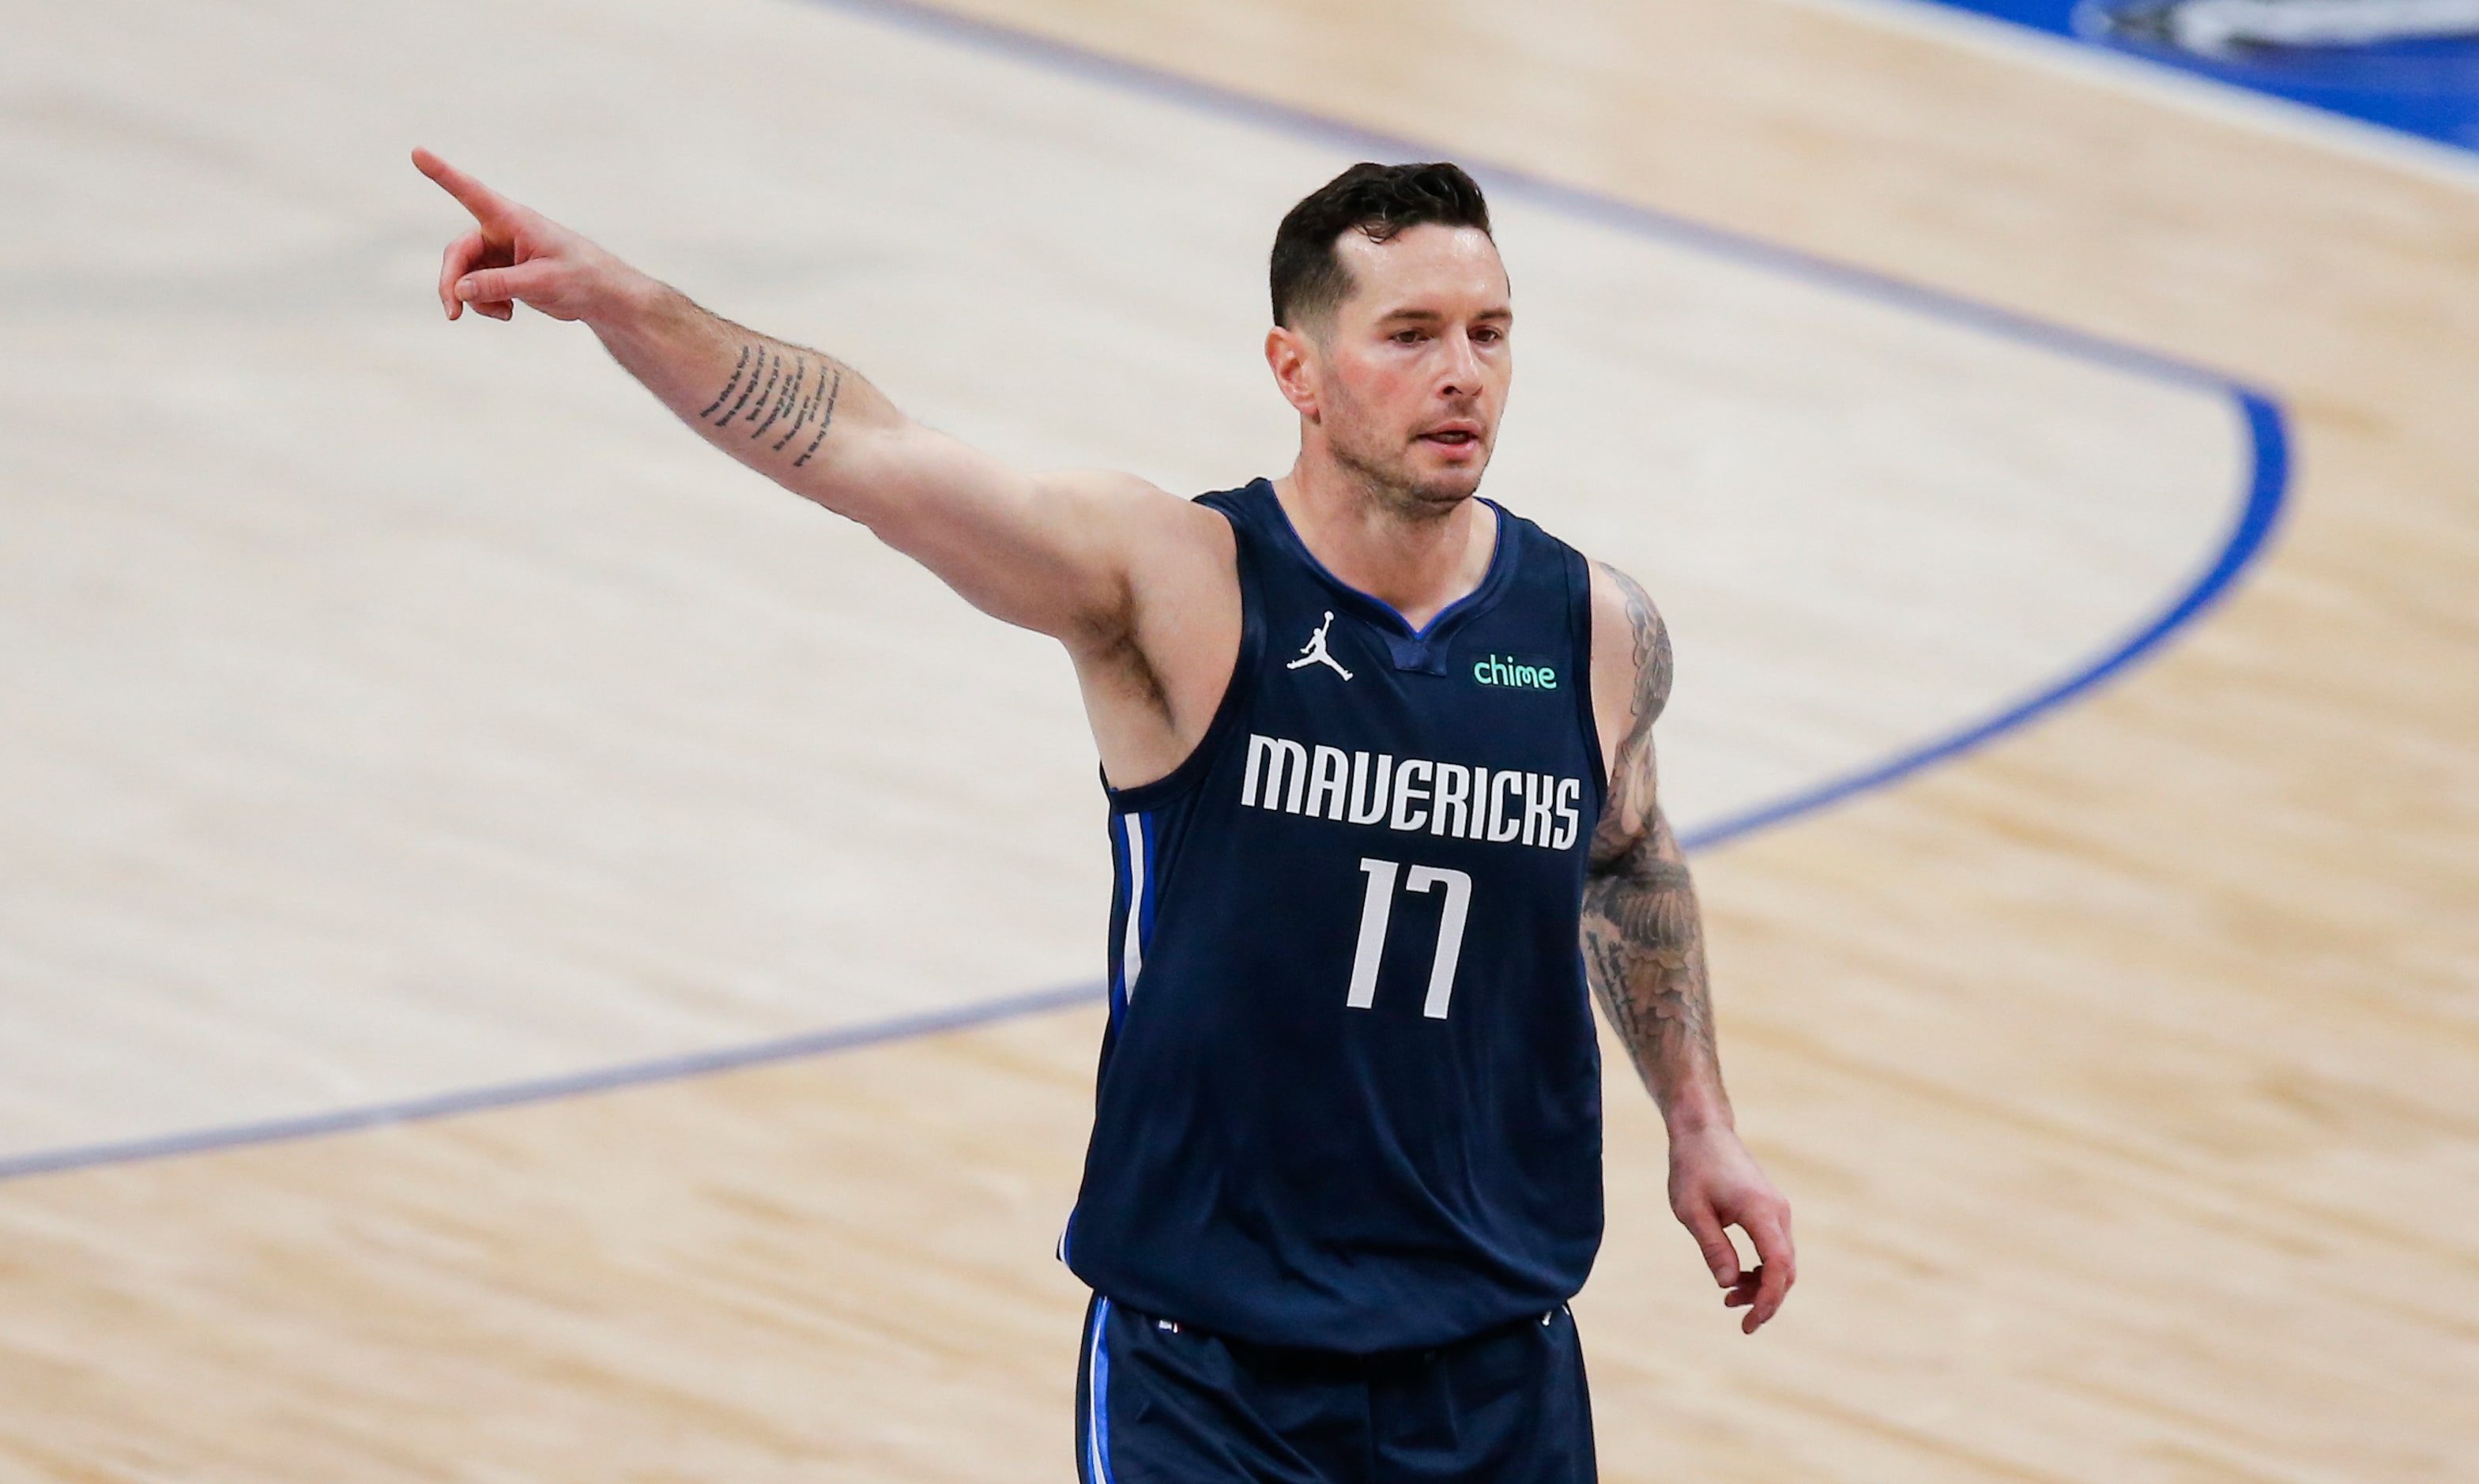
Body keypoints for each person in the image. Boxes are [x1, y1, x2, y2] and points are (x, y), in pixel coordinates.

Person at [415, 149, 1795, 1482]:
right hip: (1212, 1381)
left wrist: (1698, 1121)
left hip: (1496, 1368)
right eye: (1412, 332)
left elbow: (1626, 860)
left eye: (1490, 333)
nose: (1460, 373)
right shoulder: (1178, 584)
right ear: (1294, 371)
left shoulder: (1594, 628)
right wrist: (613, 296)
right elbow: (858, 446)